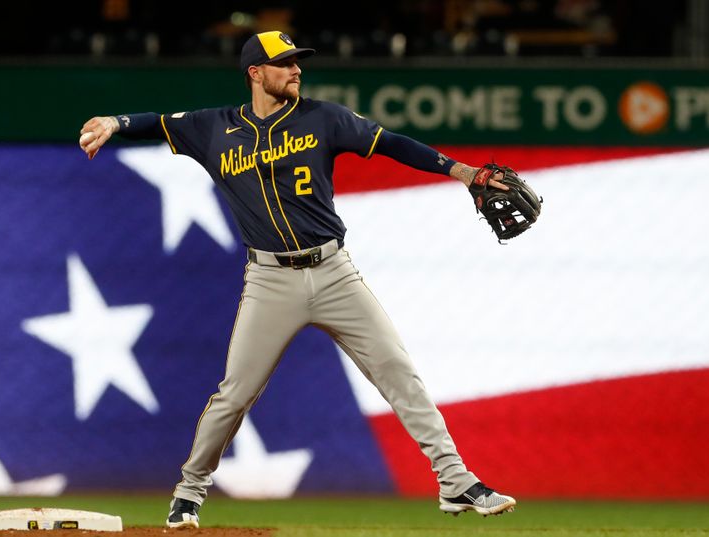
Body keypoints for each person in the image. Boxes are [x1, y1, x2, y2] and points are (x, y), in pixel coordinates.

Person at [79, 30, 515, 528]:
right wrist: (114, 122)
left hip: (334, 273)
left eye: (296, 61)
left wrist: (466, 173)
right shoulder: (215, 127)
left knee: (399, 372)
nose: (296, 69)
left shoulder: (322, 117)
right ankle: (189, 492)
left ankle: (456, 482)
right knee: (235, 394)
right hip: (269, 281)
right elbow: (158, 123)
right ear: (255, 72)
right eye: (284, 62)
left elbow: (392, 143)